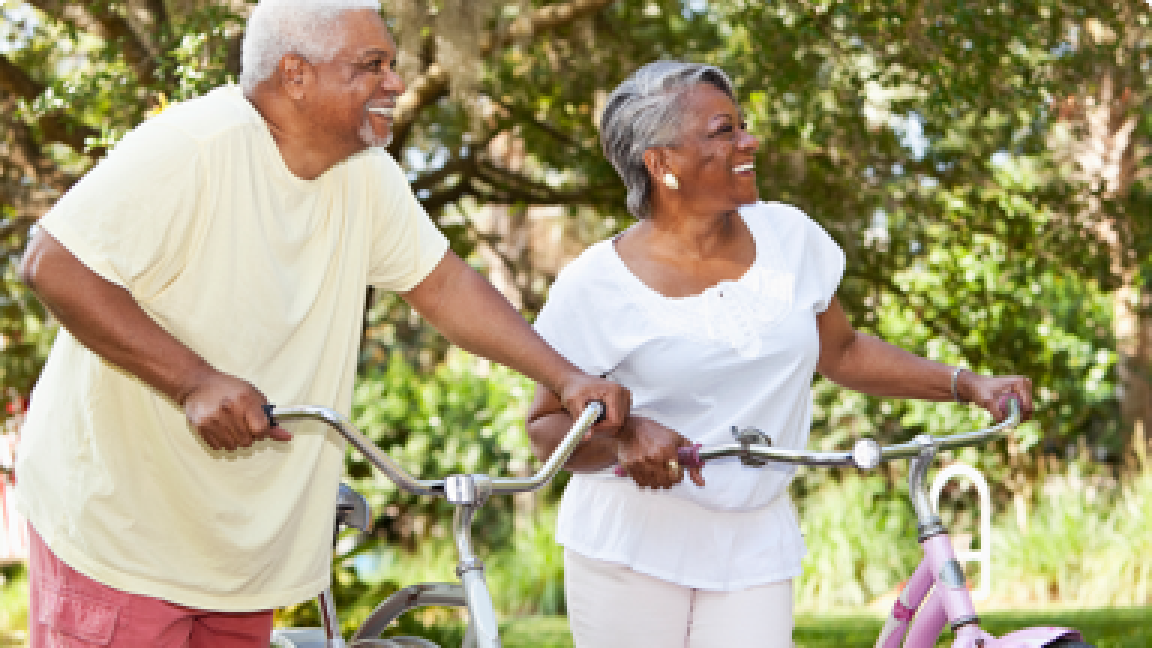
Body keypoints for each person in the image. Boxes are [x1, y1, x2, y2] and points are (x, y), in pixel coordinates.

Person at [14, 1, 630, 646]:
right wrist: (193, 381)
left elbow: (444, 286)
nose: (396, 83)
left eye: (393, 64)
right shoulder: (195, 146)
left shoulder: (367, 175)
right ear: (295, 75)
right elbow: (53, 264)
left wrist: (566, 379)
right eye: (372, 66)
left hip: (241, 555)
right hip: (120, 532)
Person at [525, 60, 1034, 648]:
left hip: (754, 539)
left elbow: (841, 352)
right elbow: (545, 429)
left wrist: (968, 384)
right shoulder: (595, 283)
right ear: (662, 164)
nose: (750, 141)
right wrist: (624, 435)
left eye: (743, 125)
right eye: (724, 131)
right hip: (631, 546)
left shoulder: (788, 237)